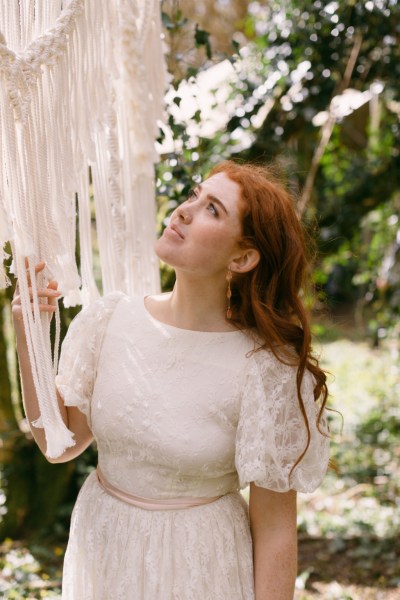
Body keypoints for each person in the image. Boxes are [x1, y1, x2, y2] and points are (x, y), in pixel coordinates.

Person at [12, 161, 330, 600]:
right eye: (195, 195)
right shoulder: (109, 320)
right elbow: (58, 443)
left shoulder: (265, 367)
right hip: (105, 553)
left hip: (201, 568)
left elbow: (276, 530)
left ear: (242, 257)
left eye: (212, 209)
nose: (184, 210)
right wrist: (28, 329)